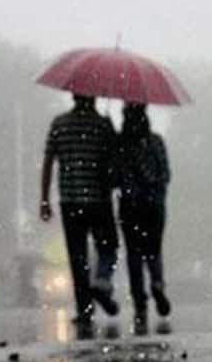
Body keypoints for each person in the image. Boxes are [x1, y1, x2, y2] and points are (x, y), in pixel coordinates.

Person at [40, 94, 120, 331]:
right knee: (108, 246)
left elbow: (48, 162)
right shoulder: (102, 125)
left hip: (70, 201)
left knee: (78, 258)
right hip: (99, 199)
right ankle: (102, 282)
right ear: (94, 97)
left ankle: (84, 310)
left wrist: (44, 199)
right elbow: (114, 161)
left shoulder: (59, 124)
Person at [114, 103, 171, 335]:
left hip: (130, 206)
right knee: (153, 249)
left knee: (134, 253)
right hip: (154, 206)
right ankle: (157, 283)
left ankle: (140, 301)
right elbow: (166, 174)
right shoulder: (156, 142)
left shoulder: (121, 145)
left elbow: (114, 178)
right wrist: (152, 187)